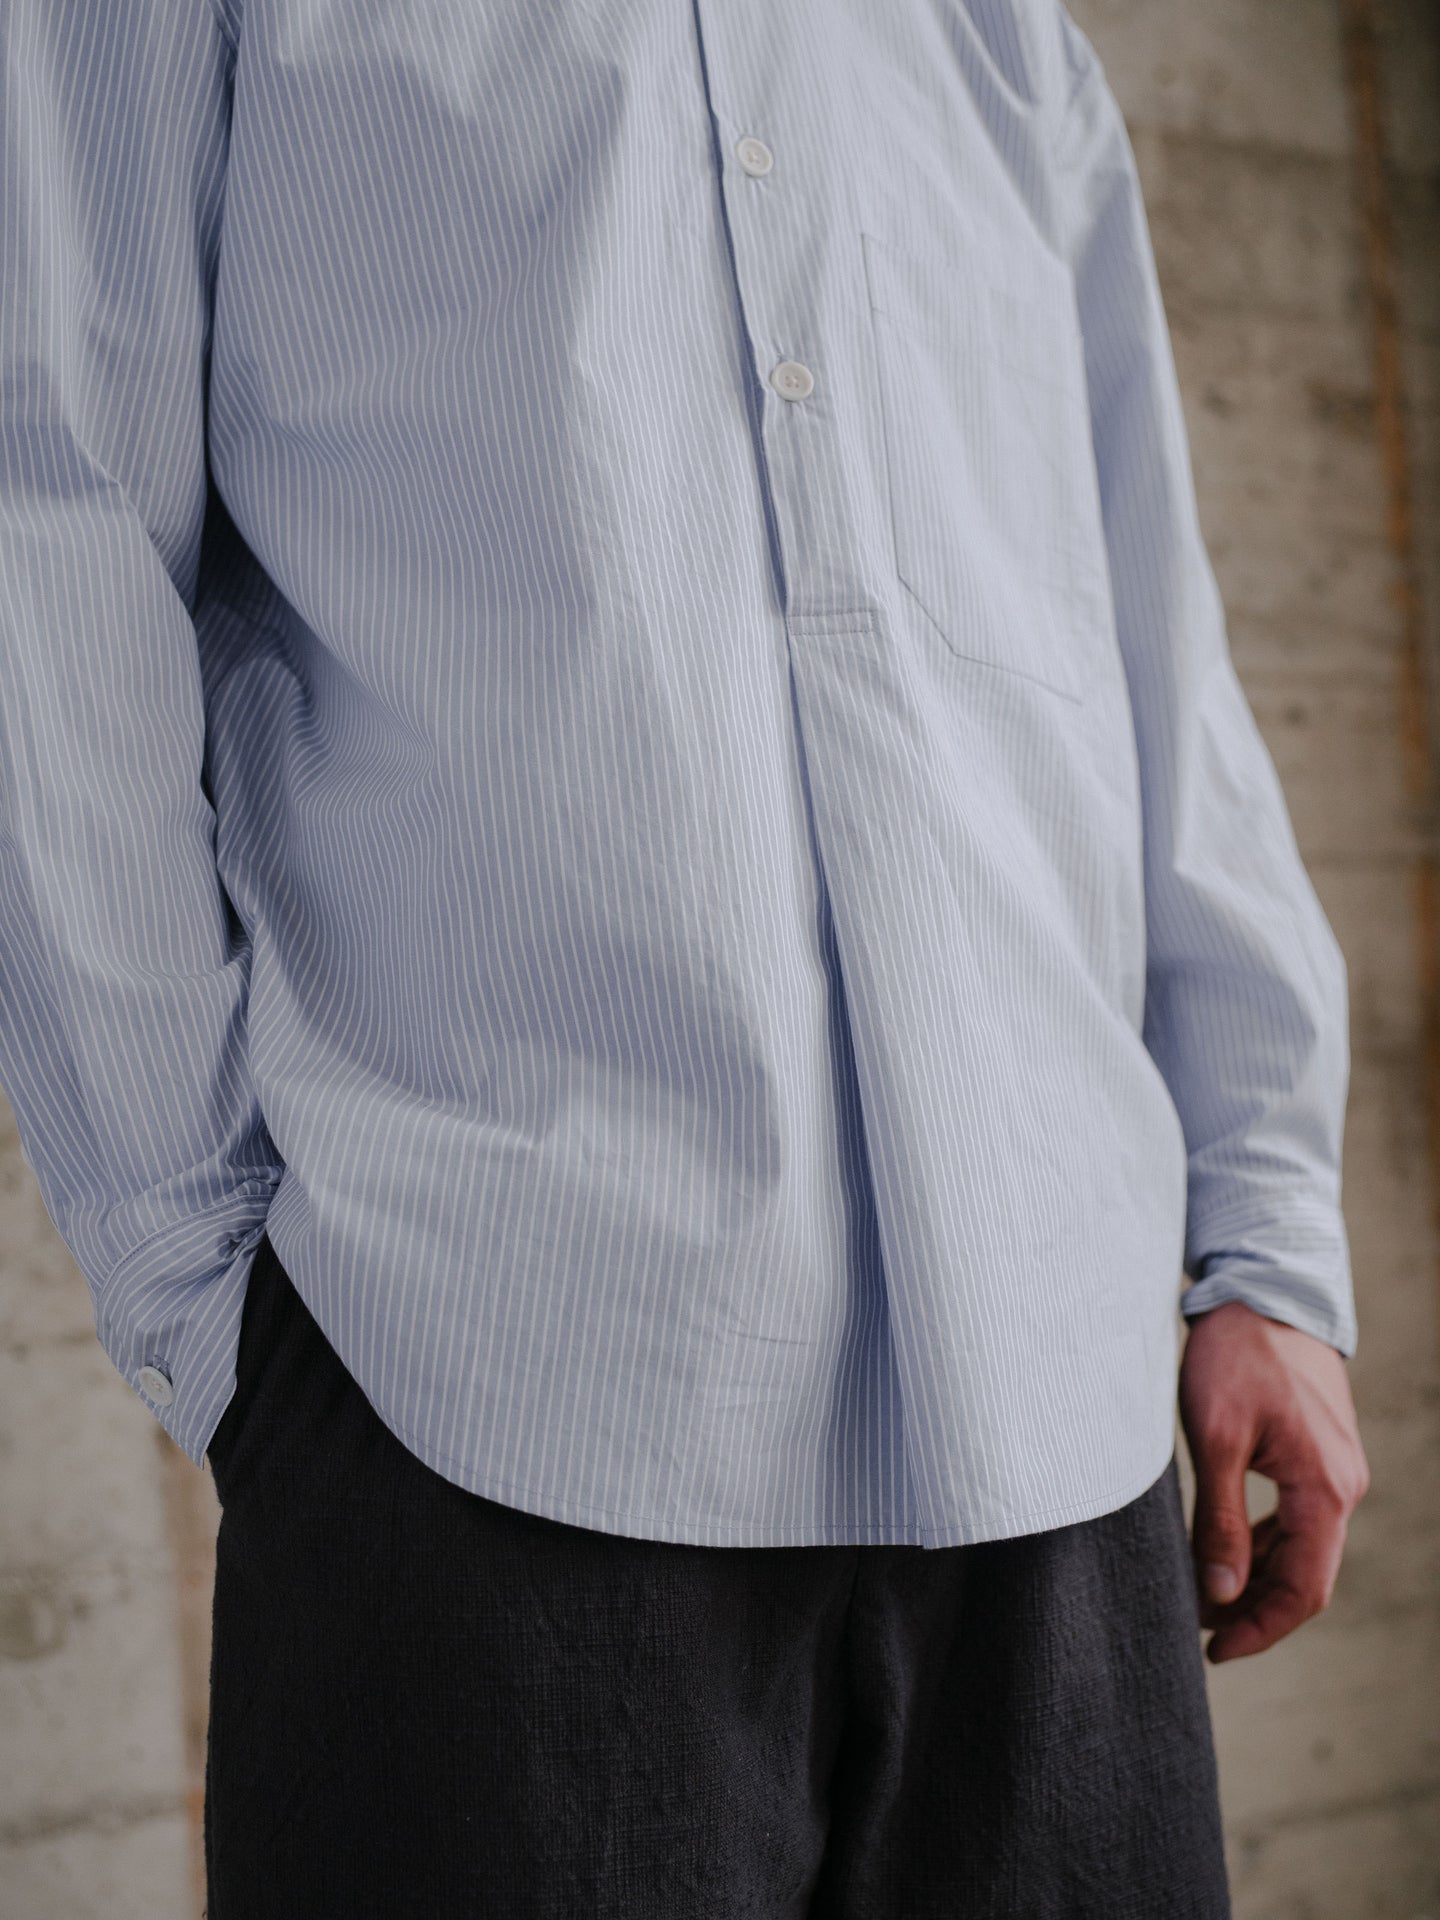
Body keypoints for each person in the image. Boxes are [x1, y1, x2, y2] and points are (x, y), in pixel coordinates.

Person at [0, 0, 1369, 1913]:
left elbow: (1154, 639)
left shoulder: (1000, 40)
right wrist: (212, 1297)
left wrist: (1268, 1248)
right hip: (477, 1399)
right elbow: (46, 534)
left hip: (1065, 1412)